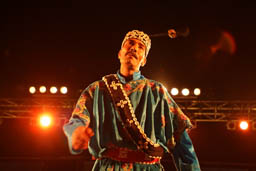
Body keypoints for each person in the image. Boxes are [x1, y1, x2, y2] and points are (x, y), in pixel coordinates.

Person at [63, 30, 201, 171]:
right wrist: (76, 132)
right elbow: (77, 119)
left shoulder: (157, 91)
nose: (134, 48)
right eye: (130, 44)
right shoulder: (97, 89)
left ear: (144, 60)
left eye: (141, 47)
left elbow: (180, 140)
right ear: (120, 53)